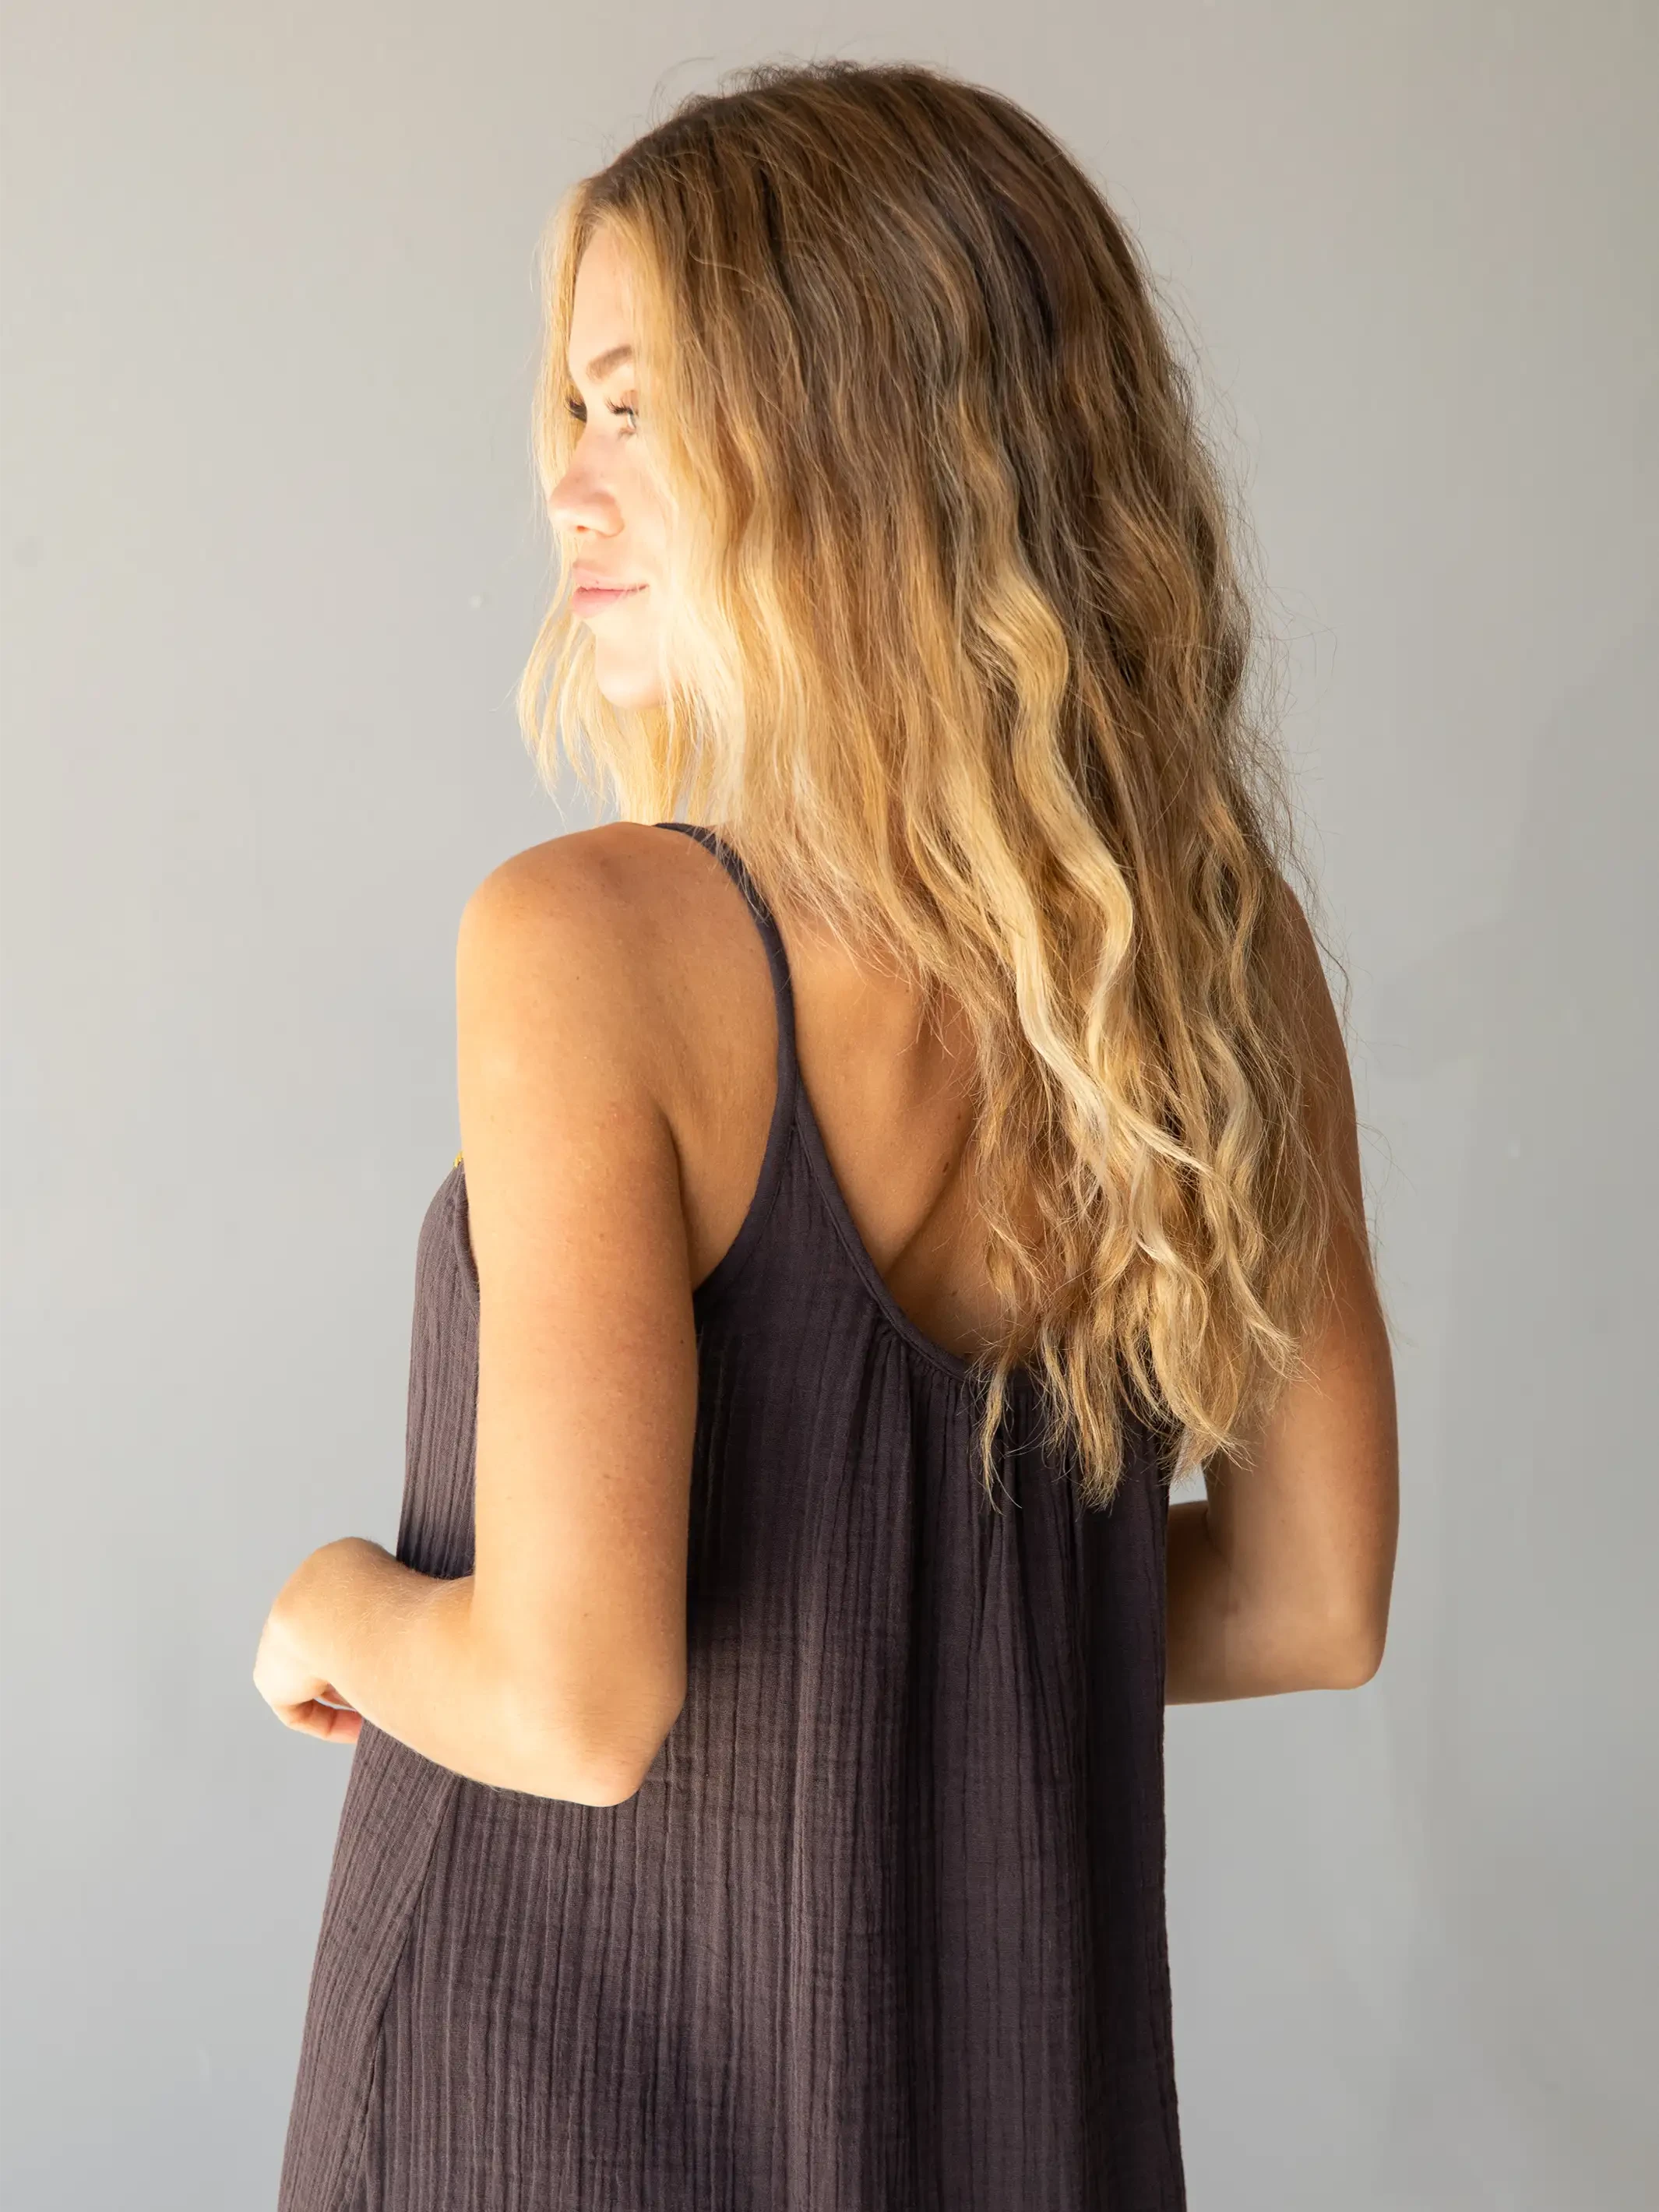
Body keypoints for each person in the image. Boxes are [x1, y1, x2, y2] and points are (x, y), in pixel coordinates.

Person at [256, 58, 1398, 2212]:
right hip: (1001, 2115)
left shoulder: (594, 941)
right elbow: (1310, 1601)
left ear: (854, 439)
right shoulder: (1212, 971)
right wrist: (921, 1671)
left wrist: (333, 1606)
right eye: (574, 413)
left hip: (547, 2126)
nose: (570, 489)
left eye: (634, 410)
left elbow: (571, 1705)